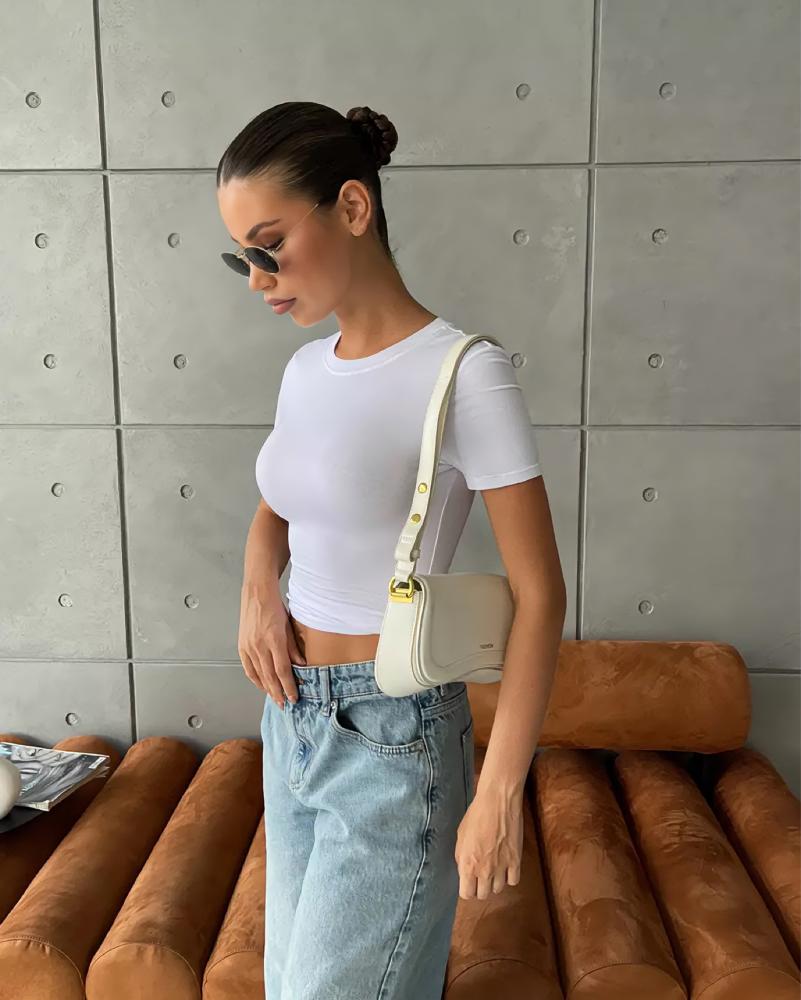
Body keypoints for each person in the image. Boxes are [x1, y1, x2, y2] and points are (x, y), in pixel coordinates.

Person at [216, 101, 546, 1000]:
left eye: (269, 245)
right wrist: (257, 585)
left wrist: (499, 792)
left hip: (394, 735)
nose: (257, 279)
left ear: (353, 207)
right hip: (290, 721)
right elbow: (279, 507)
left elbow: (540, 594)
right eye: (241, 257)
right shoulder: (304, 371)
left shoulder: (464, 373)